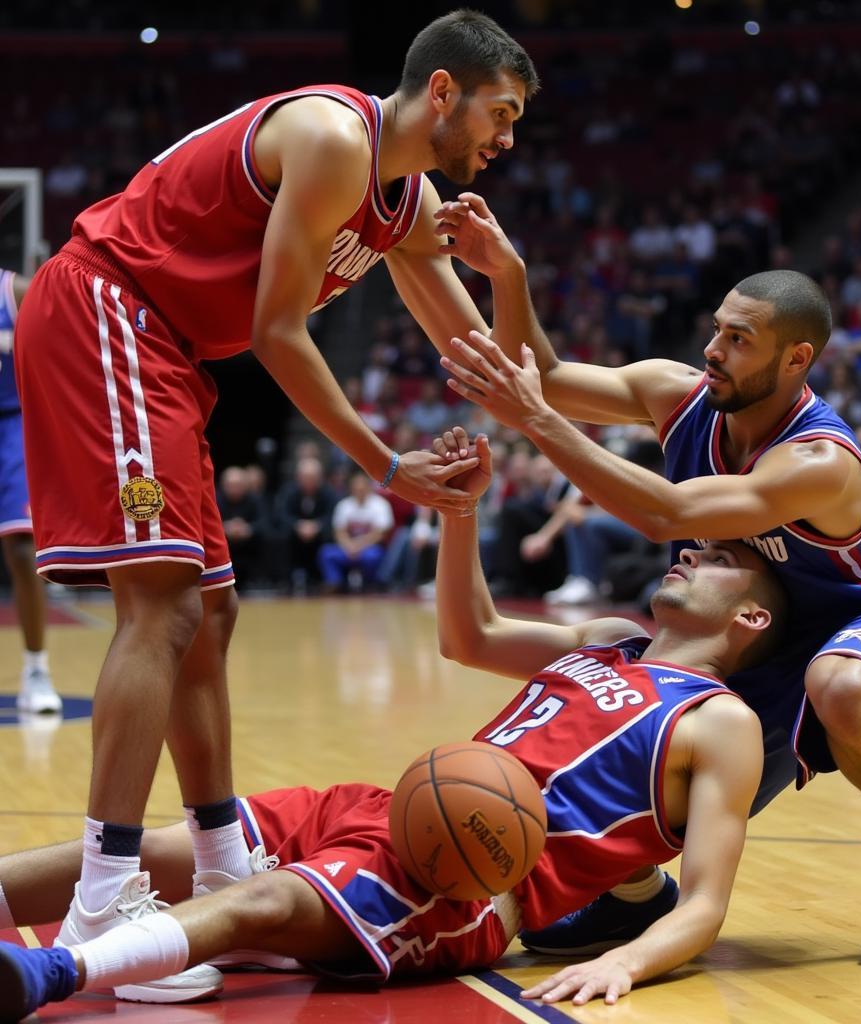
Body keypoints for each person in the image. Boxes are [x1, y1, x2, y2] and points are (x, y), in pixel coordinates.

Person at [11, 11, 539, 1002]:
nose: (507, 138)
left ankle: (218, 868)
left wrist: (506, 275)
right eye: (499, 112)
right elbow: (278, 332)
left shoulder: (408, 201)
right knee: (163, 611)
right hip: (111, 305)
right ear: (440, 94)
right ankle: (104, 890)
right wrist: (386, 466)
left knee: (211, 615)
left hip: (164, 349)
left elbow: (498, 369)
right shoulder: (338, 140)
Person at [0, 434, 786, 1015]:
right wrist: (459, 510)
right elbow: (467, 636)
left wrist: (632, 962)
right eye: (696, 546)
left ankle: (47, 976)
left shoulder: (720, 723)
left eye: (716, 559)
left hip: (466, 877)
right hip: (390, 802)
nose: (688, 555)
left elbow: (706, 904)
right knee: (157, 850)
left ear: (752, 614)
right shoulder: (609, 639)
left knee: (267, 901)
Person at [434, 198, 861, 965]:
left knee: (842, 686)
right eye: (717, 328)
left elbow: (667, 513)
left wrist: (536, 423)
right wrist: (507, 275)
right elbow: (543, 378)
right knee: (658, 746)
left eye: (738, 340)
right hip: (759, 637)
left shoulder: (818, 463)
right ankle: (635, 896)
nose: (713, 349)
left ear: (796, 360)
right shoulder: (678, 395)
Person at [0, 269, 61, 714]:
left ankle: (36, 669)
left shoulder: (15, 292)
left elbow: (57, 354)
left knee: (23, 549)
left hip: (12, 424)